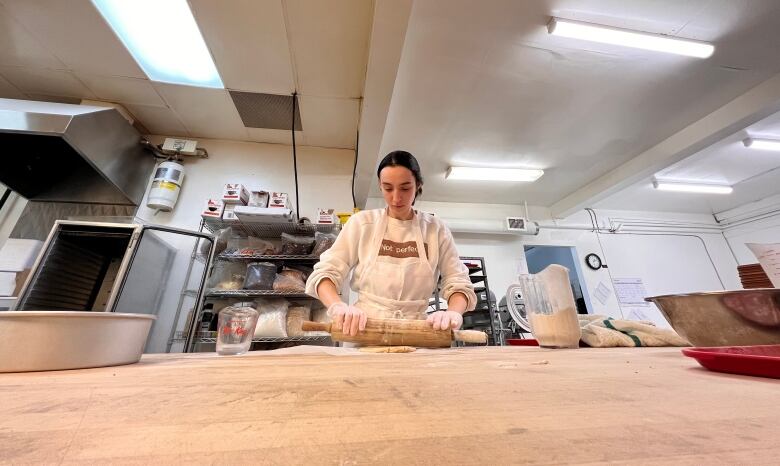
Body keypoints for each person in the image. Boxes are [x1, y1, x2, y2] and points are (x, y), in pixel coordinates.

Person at [305, 150, 477, 336]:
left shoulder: (436, 230)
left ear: (418, 185)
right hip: (365, 330)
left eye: (405, 188)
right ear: (380, 186)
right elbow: (325, 273)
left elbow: (459, 283)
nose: (396, 198)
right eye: (388, 188)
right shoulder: (362, 224)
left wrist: (452, 312)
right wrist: (337, 306)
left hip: (418, 333)